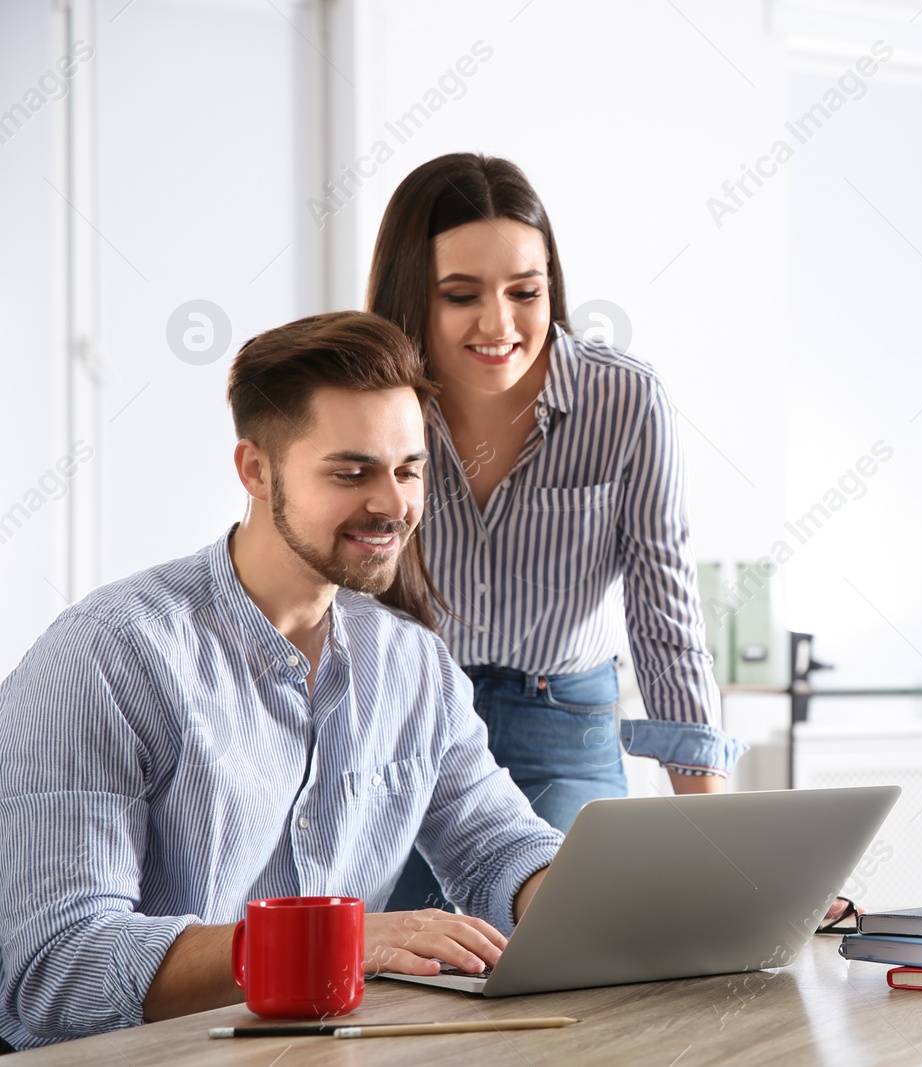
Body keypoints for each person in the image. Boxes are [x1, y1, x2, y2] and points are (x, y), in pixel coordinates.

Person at [0, 312, 563, 1050]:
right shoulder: (107, 656)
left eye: (409, 468)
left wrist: (585, 900)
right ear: (257, 470)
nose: (393, 504)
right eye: (351, 471)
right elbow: (57, 964)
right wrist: (332, 942)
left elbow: (498, 850)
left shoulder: (413, 665)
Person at [368, 153, 748, 910]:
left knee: (563, 937)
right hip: (406, 723)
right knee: (408, 963)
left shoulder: (625, 402)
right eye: (460, 294)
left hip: (563, 721)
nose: (499, 324)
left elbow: (666, 618)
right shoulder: (376, 405)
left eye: (525, 291)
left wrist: (718, 848)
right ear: (413, 295)